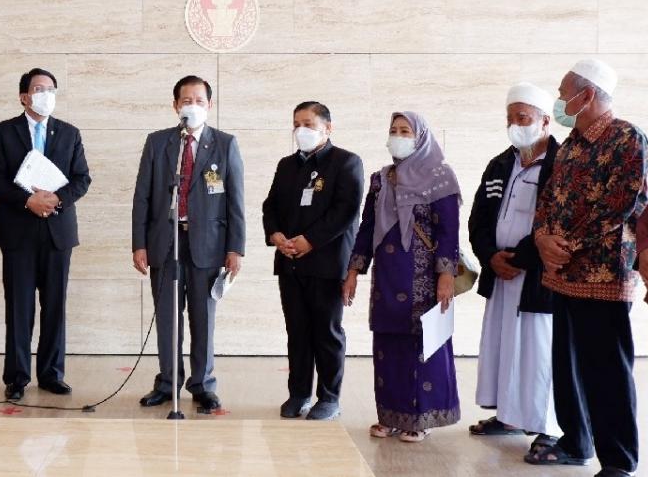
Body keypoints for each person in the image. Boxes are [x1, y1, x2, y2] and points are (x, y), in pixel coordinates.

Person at [528, 59, 647, 477]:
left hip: (603, 274)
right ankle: (576, 442)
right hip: (561, 274)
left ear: (588, 94)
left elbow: (621, 202)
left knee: (607, 371)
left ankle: (618, 461)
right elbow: (547, 200)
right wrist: (542, 239)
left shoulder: (627, 137)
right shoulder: (571, 145)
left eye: (564, 93)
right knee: (568, 366)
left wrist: (567, 245)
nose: (560, 101)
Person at [342, 111, 461, 442]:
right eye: (394, 130)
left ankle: (419, 419)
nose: (398, 136)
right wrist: (353, 271)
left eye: (405, 131)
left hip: (423, 277)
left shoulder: (440, 176)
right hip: (387, 276)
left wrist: (446, 276)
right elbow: (367, 228)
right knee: (387, 346)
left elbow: (448, 231)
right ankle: (390, 415)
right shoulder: (382, 179)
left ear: (420, 136)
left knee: (420, 346)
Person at [131, 75, 245, 412]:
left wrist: (235, 249)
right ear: (175, 105)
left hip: (208, 246)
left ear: (209, 105)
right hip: (165, 243)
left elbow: (236, 201)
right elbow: (142, 196)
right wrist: (139, 244)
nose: (192, 106)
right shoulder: (158, 143)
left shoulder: (225, 144)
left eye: (199, 101)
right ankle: (168, 382)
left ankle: (202, 385)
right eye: (186, 101)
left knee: (202, 318)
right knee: (168, 319)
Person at [0, 68, 91, 401]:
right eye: (38, 89)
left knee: (55, 306)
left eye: (51, 89)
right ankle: (17, 377)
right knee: (19, 306)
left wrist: (55, 199)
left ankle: (51, 374)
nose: (46, 95)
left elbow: (82, 179)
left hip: (58, 232)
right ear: (24, 97)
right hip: (17, 230)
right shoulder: (4, 132)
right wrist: (28, 200)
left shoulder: (70, 133)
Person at [468, 83, 561, 455]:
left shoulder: (561, 163)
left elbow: (557, 221)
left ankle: (549, 427)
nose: (514, 125)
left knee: (538, 353)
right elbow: (478, 217)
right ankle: (508, 416)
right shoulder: (500, 163)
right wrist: (490, 255)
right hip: (502, 273)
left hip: (537, 276)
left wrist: (520, 258)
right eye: (510, 118)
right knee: (504, 346)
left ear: (545, 121)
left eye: (522, 118)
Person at [262, 101, 364, 420]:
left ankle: (329, 397)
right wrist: (276, 235)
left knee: (326, 333)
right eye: (296, 124)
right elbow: (270, 206)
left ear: (327, 128)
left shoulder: (346, 162)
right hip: (290, 262)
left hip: (327, 264)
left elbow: (346, 211)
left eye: (308, 124)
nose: (301, 130)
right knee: (297, 332)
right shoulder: (287, 165)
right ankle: (299, 393)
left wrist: (311, 240)